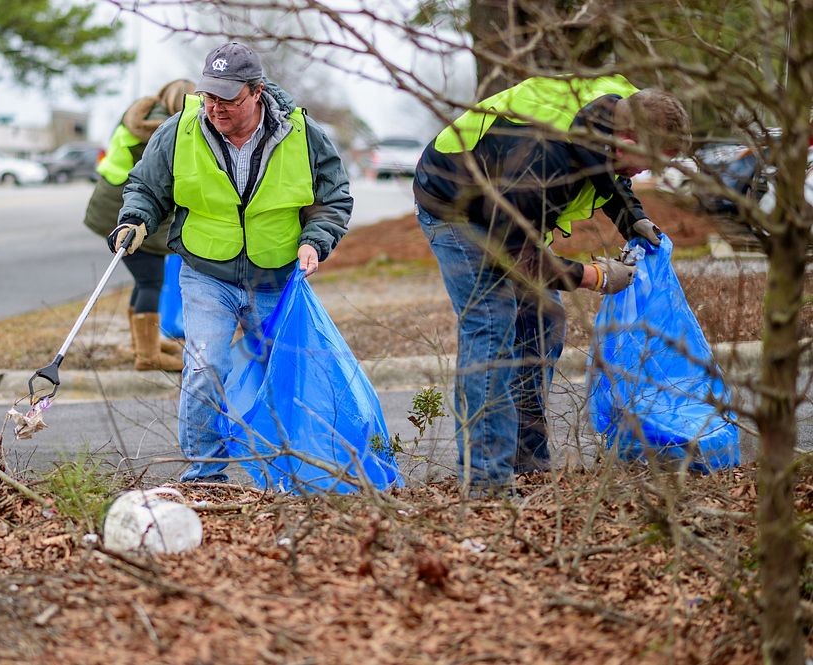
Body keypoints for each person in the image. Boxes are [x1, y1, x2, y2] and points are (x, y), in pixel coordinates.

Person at [413, 75, 691, 494]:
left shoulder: (615, 108)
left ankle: (528, 462)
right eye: (647, 157)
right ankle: (487, 481)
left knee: (542, 321)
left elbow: (607, 171)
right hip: (457, 209)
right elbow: (511, 254)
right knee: (493, 330)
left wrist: (631, 217)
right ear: (627, 136)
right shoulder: (546, 155)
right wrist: (593, 277)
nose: (647, 168)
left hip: (507, 210)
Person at [107, 42, 352, 482]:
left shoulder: (302, 133)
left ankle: (295, 469)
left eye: (228, 98)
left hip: (277, 275)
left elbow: (333, 198)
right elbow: (145, 187)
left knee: (287, 371)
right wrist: (136, 220)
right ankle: (206, 473)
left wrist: (316, 241)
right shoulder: (179, 130)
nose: (216, 108)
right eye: (210, 97)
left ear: (257, 92)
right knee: (205, 366)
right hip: (207, 273)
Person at [83, 79, 196, 372]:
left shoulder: (138, 116)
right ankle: (147, 355)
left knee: (143, 277)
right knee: (150, 280)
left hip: (109, 202)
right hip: (125, 208)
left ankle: (142, 343)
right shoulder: (164, 130)